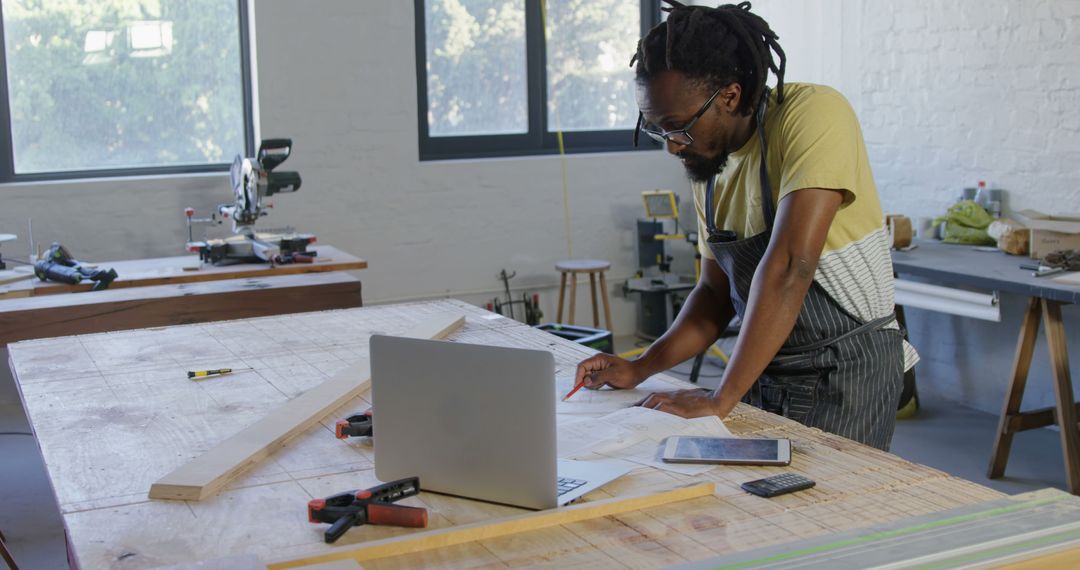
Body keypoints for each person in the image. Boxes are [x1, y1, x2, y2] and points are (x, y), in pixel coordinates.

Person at [574, 1, 917, 451]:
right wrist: (641, 367)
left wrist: (721, 398)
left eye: (679, 128)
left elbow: (790, 267)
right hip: (762, 367)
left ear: (730, 96)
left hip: (845, 371)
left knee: (825, 513)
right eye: (657, 130)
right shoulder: (708, 163)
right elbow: (714, 296)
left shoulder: (811, 114)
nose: (673, 149)